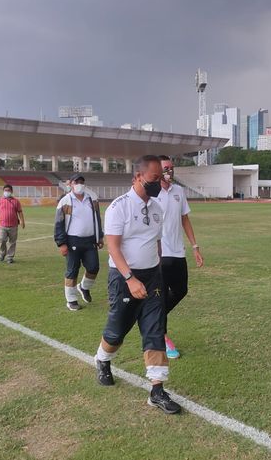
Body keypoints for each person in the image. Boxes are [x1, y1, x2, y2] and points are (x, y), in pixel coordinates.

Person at [94, 155, 182, 415]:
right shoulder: (118, 207)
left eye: (161, 178)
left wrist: (157, 270)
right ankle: (102, 359)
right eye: (154, 179)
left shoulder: (157, 209)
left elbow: (155, 242)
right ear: (137, 177)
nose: (159, 183)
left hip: (153, 277)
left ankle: (157, 391)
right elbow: (113, 247)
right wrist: (130, 278)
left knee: (155, 329)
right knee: (117, 331)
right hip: (123, 278)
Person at [154, 155, 203, 359]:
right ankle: (162, 337)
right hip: (159, 254)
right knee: (162, 294)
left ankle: (154, 320)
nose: (170, 171)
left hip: (178, 251)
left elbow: (185, 219)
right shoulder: (151, 193)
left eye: (172, 168)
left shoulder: (178, 191)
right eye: (166, 168)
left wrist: (195, 246)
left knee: (181, 290)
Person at [54, 173, 103, 310]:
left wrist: (99, 236)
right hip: (72, 241)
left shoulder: (92, 199)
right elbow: (59, 223)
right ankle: (71, 300)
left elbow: (97, 219)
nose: (79, 184)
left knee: (94, 267)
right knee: (72, 270)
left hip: (90, 240)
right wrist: (61, 243)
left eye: (81, 182)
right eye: (76, 182)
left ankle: (84, 287)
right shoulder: (65, 201)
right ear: (70, 184)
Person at [0, 184, 25, 264]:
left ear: (11, 191)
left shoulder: (16, 201)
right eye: (5, 190)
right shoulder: (0, 201)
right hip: (2, 225)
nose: (7, 192)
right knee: (2, 240)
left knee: (12, 242)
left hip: (13, 225)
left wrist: (22, 221)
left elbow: (20, 212)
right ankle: (2, 253)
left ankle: (10, 257)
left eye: (8, 190)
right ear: (3, 191)